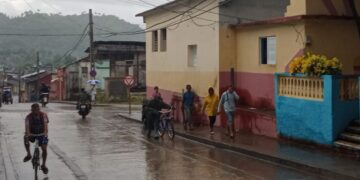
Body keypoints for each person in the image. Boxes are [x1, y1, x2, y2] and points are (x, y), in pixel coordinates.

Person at [23, 103, 49, 174]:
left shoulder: (43, 115)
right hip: (32, 134)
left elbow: (46, 127)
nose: (35, 112)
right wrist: (28, 135)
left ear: (39, 110)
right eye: (33, 110)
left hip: (42, 134)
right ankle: (29, 154)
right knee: (25, 138)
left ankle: (43, 165)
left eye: (37, 110)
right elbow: (27, 128)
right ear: (31, 110)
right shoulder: (28, 117)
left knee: (44, 149)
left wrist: (45, 135)